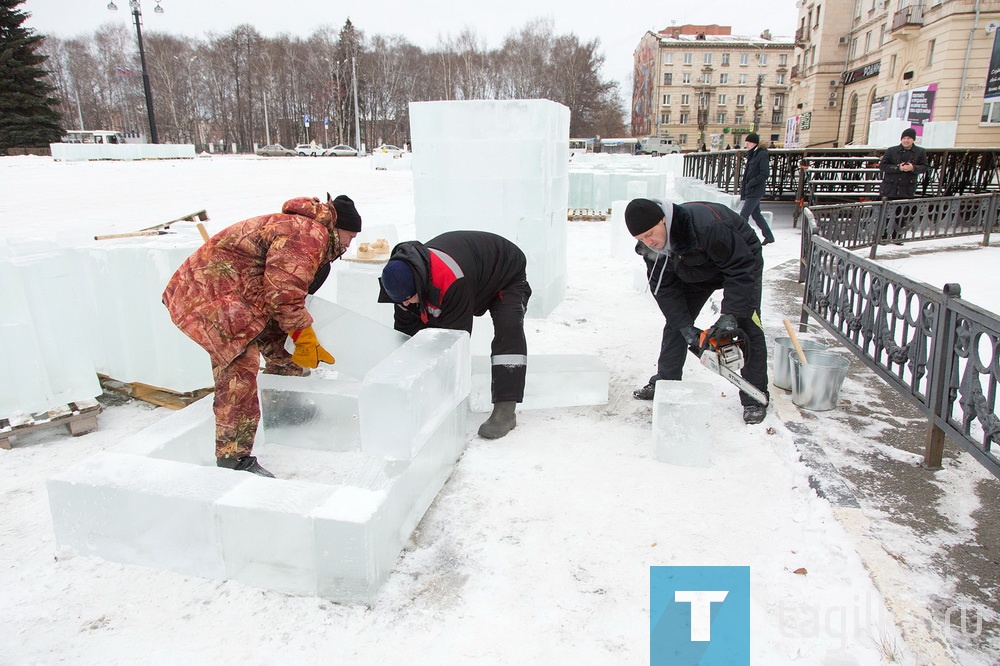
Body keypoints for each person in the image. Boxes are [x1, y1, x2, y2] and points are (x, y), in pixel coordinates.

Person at [162, 193, 362, 477]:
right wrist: (304, 335)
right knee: (240, 369)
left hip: (243, 296)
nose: (347, 245)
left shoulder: (308, 232)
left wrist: (295, 333)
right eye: (349, 237)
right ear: (337, 227)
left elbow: (282, 292)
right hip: (209, 296)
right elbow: (285, 293)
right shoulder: (307, 234)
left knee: (284, 351)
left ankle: (285, 411)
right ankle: (233, 458)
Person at [625, 197, 769, 425]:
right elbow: (663, 288)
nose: (648, 242)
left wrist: (730, 314)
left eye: (650, 234)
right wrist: (685, 327)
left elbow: (741, 268)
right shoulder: (652, 248)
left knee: (747, 324)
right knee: (676, 324)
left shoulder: (707, 226)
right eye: (640, 238)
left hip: (741, 262)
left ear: (663, 220)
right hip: (693, 269)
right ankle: (666, 381)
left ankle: (754, 397)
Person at [377, 231, 531, 439]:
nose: (404, 304)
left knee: (508, 326)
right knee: (426, 324)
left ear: (419, 284)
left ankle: (505, 410)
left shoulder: (450, 279)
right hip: (474, 271)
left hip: (505, 271)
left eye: (408, 298)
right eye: (400, 301)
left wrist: (443, 395)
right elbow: (407, 337)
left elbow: (456, 341)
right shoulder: (402, 281)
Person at [879, 127, 928, 242]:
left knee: (902, 213)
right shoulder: (892, 150)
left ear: (913, 140)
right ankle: (883, 234)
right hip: (890, 187)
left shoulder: (920, 152)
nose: (906, 140)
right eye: (904, 138)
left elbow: (925, 167)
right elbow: (883, 166)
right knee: (886, 212)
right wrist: (898, 168)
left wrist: (913, 168)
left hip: (907, 187)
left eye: (909, 138)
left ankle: (898, 235)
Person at [738, 132, 775, 246]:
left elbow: (765, 173)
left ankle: (741, 237)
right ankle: (769, 236)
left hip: (756, 190)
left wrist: (751, 183)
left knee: (743, 215)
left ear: (754, 143)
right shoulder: (752, 154)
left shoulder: (762, 154)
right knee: (756, 215)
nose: (746, 144)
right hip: (751, 189)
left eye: (748, 142)